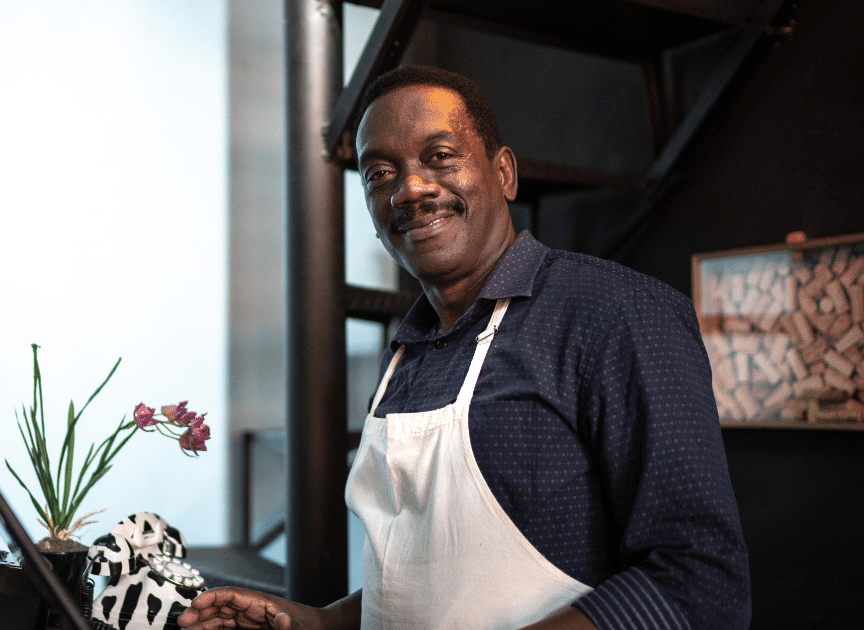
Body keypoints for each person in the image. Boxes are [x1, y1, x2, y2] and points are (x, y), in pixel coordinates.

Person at [178, 65, 750, 630]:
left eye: (440, 156)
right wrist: (324, 623)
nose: (411, 189)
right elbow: (435, 580)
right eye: (379, 173)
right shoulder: (406, 356)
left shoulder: (615, 313)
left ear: (504, 174)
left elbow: (698, 580)